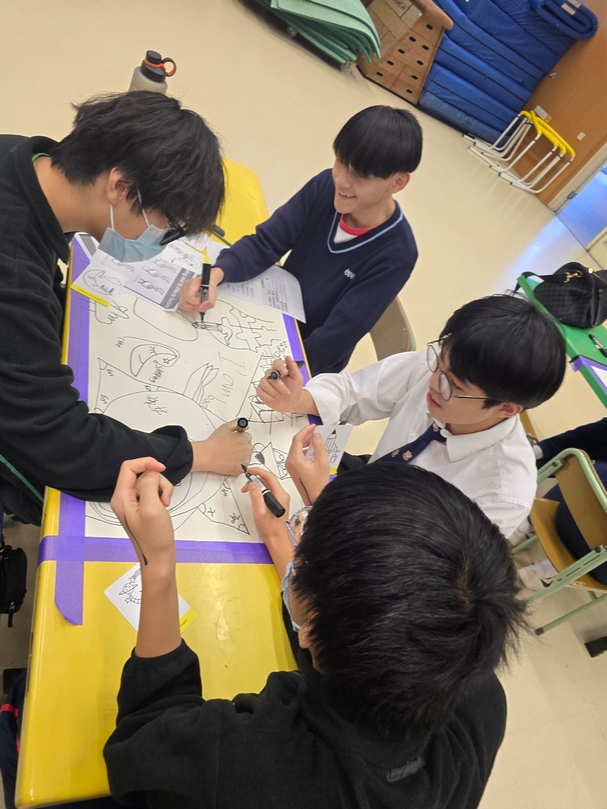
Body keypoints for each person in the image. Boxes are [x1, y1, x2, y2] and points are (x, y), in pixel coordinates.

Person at [100, 454, 527, 809]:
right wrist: (290, 538)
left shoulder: (239, 761)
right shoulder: (479, 693)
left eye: (301, 548)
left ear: (312, 628)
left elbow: (142, 739)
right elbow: (357, 631)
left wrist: (156, 563)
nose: (297, 540)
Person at [0, 91, 252, 525]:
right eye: (166, 227)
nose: (162, 242)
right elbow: (61, 442)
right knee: (60, 507)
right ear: (119, 186)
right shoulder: (14, 273)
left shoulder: (23, 158)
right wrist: (198, 454)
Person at [255, 293, 567, 539]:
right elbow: (354, 391)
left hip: (366, 542)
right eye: (439, 362)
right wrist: (299, 398)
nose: (433, 382)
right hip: (366, 481)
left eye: (452, 385)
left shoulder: (500, 494)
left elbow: (408, 568)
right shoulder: (444, 369)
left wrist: (319, 497)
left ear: (506, 408)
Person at [178, 105, 422, 376]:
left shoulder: (397, 254)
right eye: (340, 161)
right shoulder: (325, 187)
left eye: (360, 176)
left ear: (398, 182)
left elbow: (337, 337)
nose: (342, 180)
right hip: (270, 318)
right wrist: (215, 275)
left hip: (306, 361)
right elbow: (266, 242)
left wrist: (289, 373)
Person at [517, 418, 607, 589]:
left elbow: (589, 434)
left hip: (557, 513)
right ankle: (549, 571)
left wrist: (537, 451)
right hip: (598, 564)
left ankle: (527, 525)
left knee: (587, 467)